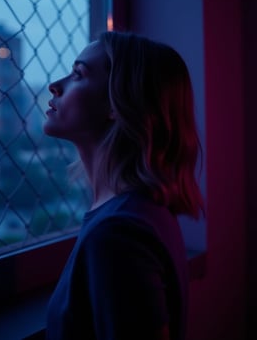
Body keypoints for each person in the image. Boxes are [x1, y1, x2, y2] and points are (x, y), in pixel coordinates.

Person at [43, 31, 204, 340]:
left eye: (78, 74)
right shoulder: (141, 211)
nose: (55, 85)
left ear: (118, 103)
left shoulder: (116, 233)